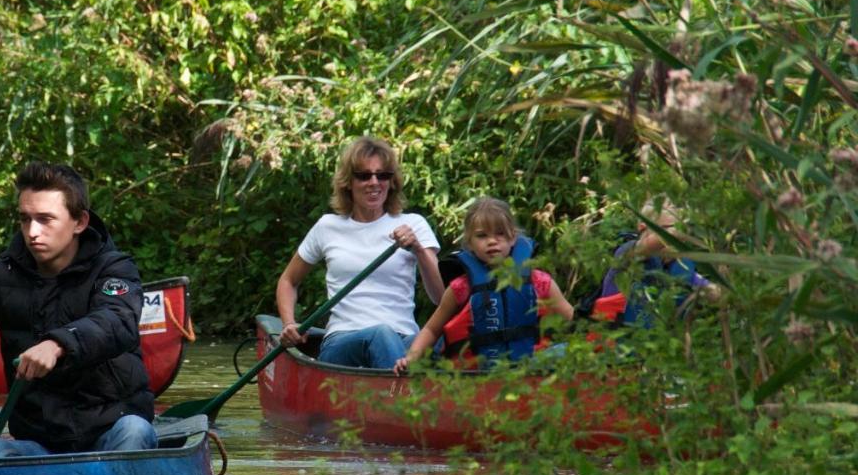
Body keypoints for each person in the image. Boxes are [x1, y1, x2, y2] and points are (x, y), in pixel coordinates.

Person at [0, 161, 156, 457]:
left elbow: (118, 321)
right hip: (38, 446)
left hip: (113, 432)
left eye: (45, 219)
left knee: (135, 430)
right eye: (25, 219)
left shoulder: (115, 269)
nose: (32, 232)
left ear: (79, 222)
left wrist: (58, 344)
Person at [276, 136, 445, 370]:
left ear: (392, 181)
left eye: (382, 175)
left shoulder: (413, 224)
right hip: (342, 341)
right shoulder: (328, 226)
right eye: (364, 175)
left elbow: (440, 297)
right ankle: (402, 400)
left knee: (449, 338)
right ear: (348, 182)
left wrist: (417, 248)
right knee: (381, 334)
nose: (374, 182)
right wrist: (289, 323)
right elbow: (288, 280)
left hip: (405, 339)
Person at [394, 196, 574, 373]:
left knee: (568, 349)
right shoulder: (461, 288)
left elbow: (574, 321)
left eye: (500, 233)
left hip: (530, 371)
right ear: (470, 243)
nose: (492, 241)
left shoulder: (539, 282)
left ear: (513, 238)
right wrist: (410, 359)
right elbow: (432, 330)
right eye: (482, 236)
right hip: (476, 375)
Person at [591, 200, 714, 328]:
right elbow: (646, 247)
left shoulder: (681, 267)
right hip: (614, 342)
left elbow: (715, 292)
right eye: (666, 228)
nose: (678, 239)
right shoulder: (628, 252)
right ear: (642, 227)